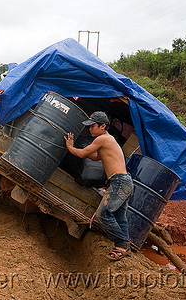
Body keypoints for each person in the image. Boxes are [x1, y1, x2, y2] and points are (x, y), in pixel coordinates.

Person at [65, 111, 133, 261]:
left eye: (92, 126)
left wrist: (71, 147)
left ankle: (120, 245)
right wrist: (83, 150)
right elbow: (95, 157)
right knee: (120, 218)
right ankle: (124, 248)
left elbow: (83, 155)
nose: (90, 129)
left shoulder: (102, 138)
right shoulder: (108, 140)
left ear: (103, 126)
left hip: (119, 182)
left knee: (103, 215)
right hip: (124, 182)